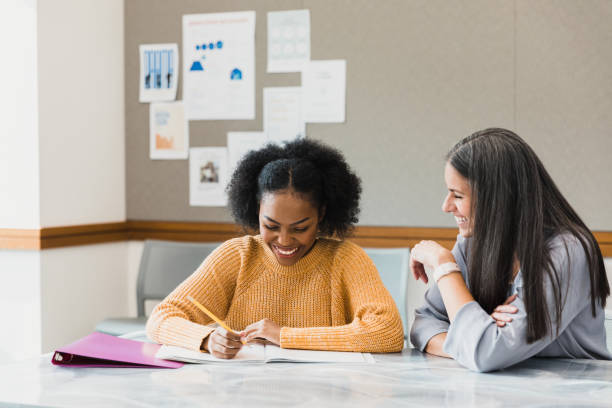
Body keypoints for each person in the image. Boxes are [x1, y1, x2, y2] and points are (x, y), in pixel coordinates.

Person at [146, 138, 404, 358]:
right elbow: (162, 318)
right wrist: (207, 338)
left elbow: (388, 332)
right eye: (271, 226)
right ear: (256, 208)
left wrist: (284, 336)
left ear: (322, 214)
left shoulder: (346, 259)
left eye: (300, 228)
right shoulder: (237, 256)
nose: (284, 240)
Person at [409, 128, 610, 372]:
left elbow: (485, 353)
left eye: (458, 195)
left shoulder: (570, 251)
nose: (446, 206)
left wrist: (444, 266)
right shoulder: (472, 245)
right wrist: (469, 343)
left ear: (498, 198)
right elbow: (422, 325)